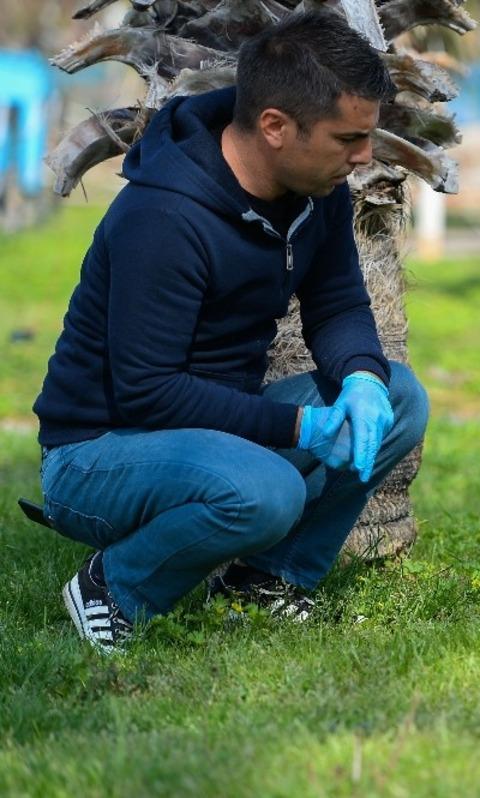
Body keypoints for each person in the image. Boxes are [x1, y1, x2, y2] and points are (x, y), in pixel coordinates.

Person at [32, 11, 429, 654]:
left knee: (398, 397)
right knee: (265, 490)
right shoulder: (163, 217)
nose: (363, 157)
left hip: (208, 432)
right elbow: (148, 393)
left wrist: (360, 377)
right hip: (99, 451)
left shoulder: (313, 190)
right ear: (275, 126)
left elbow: (336, 304)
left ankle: (265, 584)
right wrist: (300, 429)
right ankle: (113, 589)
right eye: (347, 138)